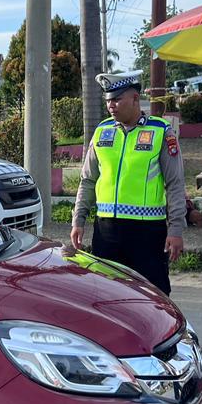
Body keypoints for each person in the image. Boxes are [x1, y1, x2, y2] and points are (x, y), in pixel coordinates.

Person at [70, 71, 185, 294]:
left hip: (147, 232)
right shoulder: (102, 131)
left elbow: (175, 184)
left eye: (116, 99)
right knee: (106, 293)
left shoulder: (161, 131)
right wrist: (78, 220)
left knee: (153, 295)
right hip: (106, 230)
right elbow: (88, 180)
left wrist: (176, 229)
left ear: (135, 98)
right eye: (108, 100)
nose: (111, 106)